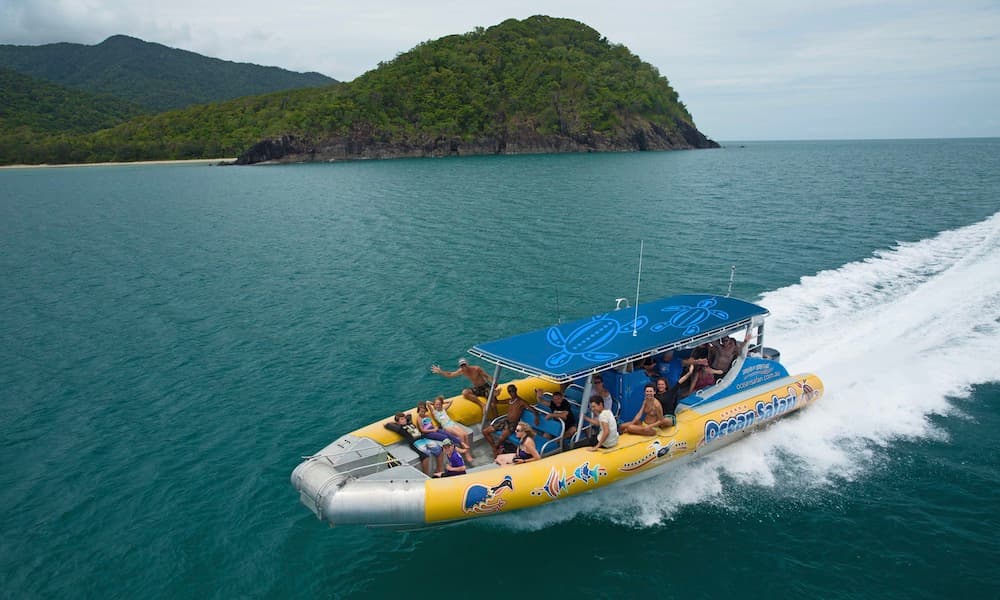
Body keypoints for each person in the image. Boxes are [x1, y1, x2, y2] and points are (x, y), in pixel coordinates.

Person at [483, 384, 542, 456]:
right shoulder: (510, 400)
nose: (512, 392)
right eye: (510, 391)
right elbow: (496, 402)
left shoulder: (521, 402)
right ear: (508, 392)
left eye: (513, 391)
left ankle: (496, 450)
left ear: (516, 390)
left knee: (501, 438)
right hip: (505, 421)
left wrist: (536, 417)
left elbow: (533, 410)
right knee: (485, 431)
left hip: (513, 424)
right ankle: (494, 448)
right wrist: (494, 395)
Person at [430, 358, 499, 411]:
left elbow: (487, 376)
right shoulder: (461, 371)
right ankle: (482, 405)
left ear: (467, 364)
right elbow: (450, 374)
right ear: (460, 366)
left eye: (464, 365)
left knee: (493, 404)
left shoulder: (476, 369)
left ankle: (496, 418)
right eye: (462, 366)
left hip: (485, 387)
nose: (464, 367)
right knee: (465, 392)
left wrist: (493, 382)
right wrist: (440, 371)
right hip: (477, 388)